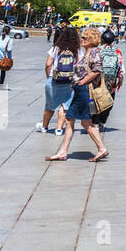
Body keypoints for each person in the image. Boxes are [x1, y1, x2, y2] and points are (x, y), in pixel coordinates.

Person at [45, 29, 108, 164]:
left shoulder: (95, 52)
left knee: (86, 123)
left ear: (91, 40)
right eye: (82, 37)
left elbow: (97, 70)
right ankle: (63, 151)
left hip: (85, 91)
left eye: (85, 37)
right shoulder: (87, 52)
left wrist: (82, 81)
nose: (82, 39)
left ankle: (101, 148)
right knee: (70, 120)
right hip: (80, 91)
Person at [37, 27, 78, 135]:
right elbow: (79, 66)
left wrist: (49, 76)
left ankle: (44, 127)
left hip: (54, 79)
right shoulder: (77, 50)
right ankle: (59, 129)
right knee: (64, 106)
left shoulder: (56, 48)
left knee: (49, 105)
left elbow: (48, 64)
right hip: (69, 81)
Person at [93, 29, 124, 128]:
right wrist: (120, 81)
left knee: (95, 100)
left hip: (97, 80)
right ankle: (102, 120)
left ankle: (94, 122)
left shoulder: (97, 50)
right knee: (109, 100)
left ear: (101, 40)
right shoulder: (117, 52)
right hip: (111, 81)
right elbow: (121, 68)